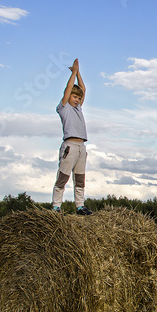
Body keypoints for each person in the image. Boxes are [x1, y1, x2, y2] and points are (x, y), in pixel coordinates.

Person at [52, 59, 92, 215]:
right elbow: (69, 89)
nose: (77, 99)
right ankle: (56, 207)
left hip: (82, 146)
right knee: (63, 177)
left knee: (80, 179)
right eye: (74, 97)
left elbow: (83, 88)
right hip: (69, 146)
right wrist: (73, 73)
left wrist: (78, 72)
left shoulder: (78, 109)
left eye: (79, 98)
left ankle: (80, 206)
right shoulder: (64, 108)